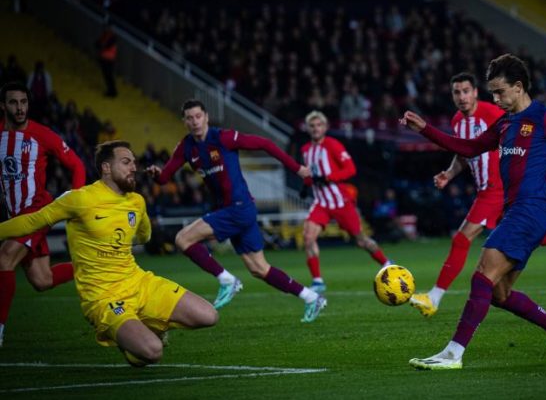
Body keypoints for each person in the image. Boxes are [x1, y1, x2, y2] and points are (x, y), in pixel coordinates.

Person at [401, 53, 546, 370]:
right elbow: (468, 149)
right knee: (499, 293)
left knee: (482, 274)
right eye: (492, 92)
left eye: (499, 92)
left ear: (518, 87)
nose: (494, 98)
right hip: (515, 213)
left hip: (530, 211)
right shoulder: (505, 123)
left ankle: (453, 354)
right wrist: (425, 128)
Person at [0, 141, 217, 366]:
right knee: (152, 352)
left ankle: (148, 325)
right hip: (104, 297)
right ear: (106, 168)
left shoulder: (137, 201)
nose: (133, 167)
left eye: (134, 162)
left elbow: (144, 236)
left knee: (209, 316)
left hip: (138, 282)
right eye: (126, 162)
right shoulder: (79, 199)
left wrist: (129, 237)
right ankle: (131, 339)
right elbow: (32, 222)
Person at [147, 100, 327, 323]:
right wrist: (156, 174)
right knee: (259, 269)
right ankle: (311, 298)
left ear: (206, 117)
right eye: (189, 118)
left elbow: (264, 143)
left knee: (183, 239)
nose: (194, 121)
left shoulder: (223, 137)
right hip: (233, 211)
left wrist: (298, 168)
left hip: (239, 208)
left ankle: (226, 280)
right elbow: (165, 177)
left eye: (198, 116)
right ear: (184, 122)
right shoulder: (186, 148)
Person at [0, 81, 86, 347]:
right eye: (13, 102)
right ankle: (92, 263)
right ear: (3, 106)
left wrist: (75, 204)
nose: (20, 108)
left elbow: (77, 165)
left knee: (4, 259)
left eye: (24, 102)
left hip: (37, 210)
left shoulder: (42, 135)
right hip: (14, 217)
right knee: (42, 279)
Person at [300, 111, 393, 293]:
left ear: (325, 127)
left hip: (340, 202)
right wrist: (306, 185)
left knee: (361, 240)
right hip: (321, 203)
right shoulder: (305, 150)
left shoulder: (333, 145)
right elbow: (312, 174)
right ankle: (318, 281)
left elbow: (350, 169)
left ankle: (387, 263)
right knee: (308, 237)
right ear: (308, 128)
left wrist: (329, 177)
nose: (316, 129)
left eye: (319, 125)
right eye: (312, 126)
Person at [95, 24, 118, 97]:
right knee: (106, 75)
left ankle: (112, 91)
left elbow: (107, 45)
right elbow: (97, 43)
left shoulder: (112, 37)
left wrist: (102, 46)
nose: (107, 29)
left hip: (109, 59)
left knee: (109, 75)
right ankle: (110, 90)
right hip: (103, 58)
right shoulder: (104, 35)